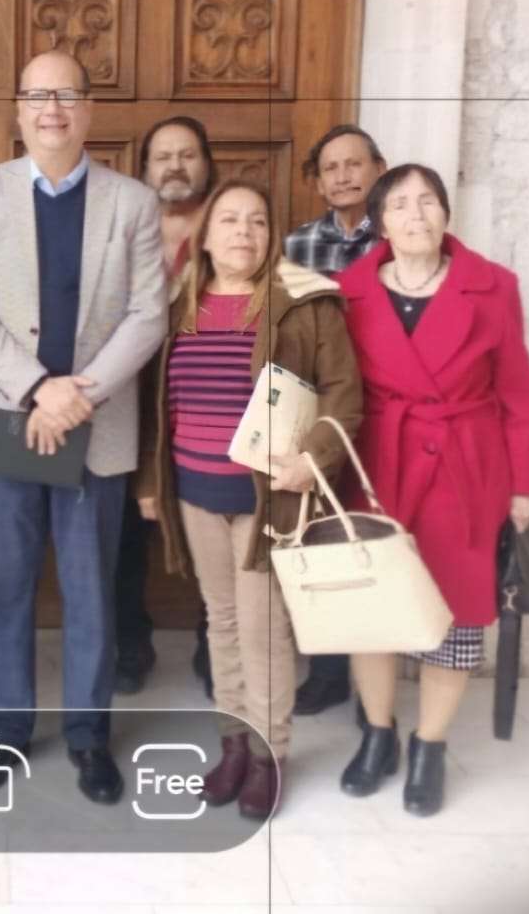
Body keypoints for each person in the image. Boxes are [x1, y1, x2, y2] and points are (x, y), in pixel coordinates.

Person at [0, 50, 166, 806]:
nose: (52, 109)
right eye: (38, 95)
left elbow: (148, 314)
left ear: (88, 109)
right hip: (13, 421)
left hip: (94, 426)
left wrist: (80, 393)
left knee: (89, 591)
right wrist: (39, 387)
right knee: (9, 585)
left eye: (66, 95)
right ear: (18, 109)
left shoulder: (132, 203)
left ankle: (89, 737)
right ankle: (6, 731)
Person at [137, 179, 362, 821]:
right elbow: (158, 403)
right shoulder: (178, 305)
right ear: (205, 237)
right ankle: (232, 744)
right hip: (195, 491)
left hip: (268, 496)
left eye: (258, 221)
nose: (244, 232)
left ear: (272, 236)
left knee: (263, 627)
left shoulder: (302, 303)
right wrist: (150, 482)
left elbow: (344, 393)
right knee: (223, 621)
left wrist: (312, 459)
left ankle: (268, 755)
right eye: (230, 220)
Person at [335, 163, 529, 817]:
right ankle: (378, 733)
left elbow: (518, 392)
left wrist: (525, 485)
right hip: (378, 464)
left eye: (427, 200)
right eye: (399, 204)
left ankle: (429, 745)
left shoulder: (493, 286)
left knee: (455, 611)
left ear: (446, 213)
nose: (416, 213)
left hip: (465, 466)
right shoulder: (347, 290)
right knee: (371, 609)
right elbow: (333, 383)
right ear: (379, 222)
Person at [281, 123, 387, 717]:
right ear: (317, 182)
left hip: (390, 408)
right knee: (321, 537)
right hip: (325, 409)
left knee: (373, 538)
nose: (343, 176)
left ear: (378, 169)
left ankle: (376, 679)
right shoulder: (298, 246)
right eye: (331, 168)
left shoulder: (397, 235)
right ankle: (326, 673)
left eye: (354, 164)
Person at [118, 115, 219, 696]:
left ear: (206, 163)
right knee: (122, 534)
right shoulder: (122, 230)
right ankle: (129, 642)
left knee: (215, 527)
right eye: (162, 156)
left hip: (206, 405)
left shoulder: (231, 226)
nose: (175, 166)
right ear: (144, 170)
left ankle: (215, 641)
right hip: (128, 405)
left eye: (187, 154)